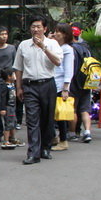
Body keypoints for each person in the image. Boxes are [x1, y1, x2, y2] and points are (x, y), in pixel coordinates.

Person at [13, 16, 63, 164]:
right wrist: (19, 87)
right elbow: (18, 68)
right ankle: (33, 153)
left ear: (45, 29)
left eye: (39, 27)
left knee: (47, 119)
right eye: (33, 27)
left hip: (48, 84)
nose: (35, 29)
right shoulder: (23, 45)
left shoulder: (52, 44)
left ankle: (45, 148)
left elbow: (58, 62)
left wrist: (43, 47)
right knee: (32, 119)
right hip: (29, 85)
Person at [0, 26, 16, 142]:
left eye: (6, 34)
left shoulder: (11, 48)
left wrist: (15, 77)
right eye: (2, 34)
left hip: (9, 81)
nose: (4, 36)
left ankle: (10, 131)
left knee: (10, 107)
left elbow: (15, 64)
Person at [69, 25, 93, 143]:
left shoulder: (70, 49)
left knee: (73, 109)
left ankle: (72, 133)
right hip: (87, 82)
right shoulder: (86, 48)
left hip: (74, 82)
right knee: (84, 110)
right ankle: (87, 132)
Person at [52, 23, 75, 151]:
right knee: (53, 113)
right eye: (55, 31)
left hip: (60, 85)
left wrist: (66, 88)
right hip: (53, 83)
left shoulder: (67, 49)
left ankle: (63, 140)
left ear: (65, 34)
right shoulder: (55, 46)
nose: (56, 34)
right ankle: (55, 137)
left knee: (61, 115)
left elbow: (68, 69)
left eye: (58, 32)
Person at [0, 67, 23, 149]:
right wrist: (3, 108)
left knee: (13, 123)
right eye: (13, 75)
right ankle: (6, 141)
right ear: (9, 77)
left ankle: (12, 138)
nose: (15, 76)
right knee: (8, 124)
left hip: (13, 107)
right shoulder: (5, 86)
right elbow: (3, 98)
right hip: (8, 108)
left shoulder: (12, 85)